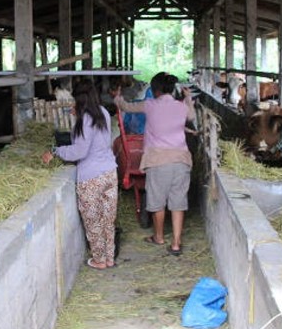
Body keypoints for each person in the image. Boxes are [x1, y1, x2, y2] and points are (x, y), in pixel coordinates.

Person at [113, 72, 194, 256]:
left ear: (155, 90)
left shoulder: (149, 105)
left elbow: (126, 106)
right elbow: (191, 116)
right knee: (178, 202)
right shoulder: (181, 107)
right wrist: (188, 97)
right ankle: (176, 243)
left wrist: (117, 97)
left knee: (157, 202)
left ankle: (158, 237)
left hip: (158, 161)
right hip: (181, 160)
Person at [42, 79, 119, 270]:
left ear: (79, 99)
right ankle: (109, 257)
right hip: (109, 172)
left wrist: (56, 151)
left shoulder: (85, 119)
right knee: (108, 219)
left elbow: (79, 152)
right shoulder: (103, 113)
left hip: (91, 177)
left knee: (93, 221)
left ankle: (99, 260)